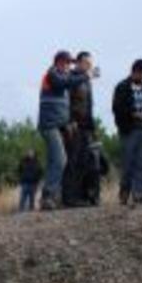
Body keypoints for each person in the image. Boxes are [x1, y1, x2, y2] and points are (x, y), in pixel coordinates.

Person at [38, 50, 94, 210]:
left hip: (57, 126)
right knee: (61, 160)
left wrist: (68, 123)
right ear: (59, 62)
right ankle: (49, 195)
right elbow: (63, 83)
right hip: (49, 126)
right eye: (67, 62)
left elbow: (62, 106)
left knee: (52, 162)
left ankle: (47, 198)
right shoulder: (52, 74)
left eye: (70, 63)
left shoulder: (63, 77)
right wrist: (86, 76)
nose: (69, 65)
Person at [112, 59, 142, 205]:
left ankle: (140, 195)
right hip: (129, 130)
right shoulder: (122, 87)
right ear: (135, 72)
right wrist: (133, 114)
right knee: (128, 163)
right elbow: (117, 108)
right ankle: (124, 193)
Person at [63, 51, 101, 207]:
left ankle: (81, 196)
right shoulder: (71, 77)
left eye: (90, 64)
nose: (89, 67)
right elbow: (67, 102)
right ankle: (68, 198)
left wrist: (93, 128)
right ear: (78, 63)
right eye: (86, 63)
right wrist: (69, 121)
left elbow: (89, 105)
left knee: (84, 162)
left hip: (86, 126)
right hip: (74, 125)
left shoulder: (86, 80)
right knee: (72, 161)